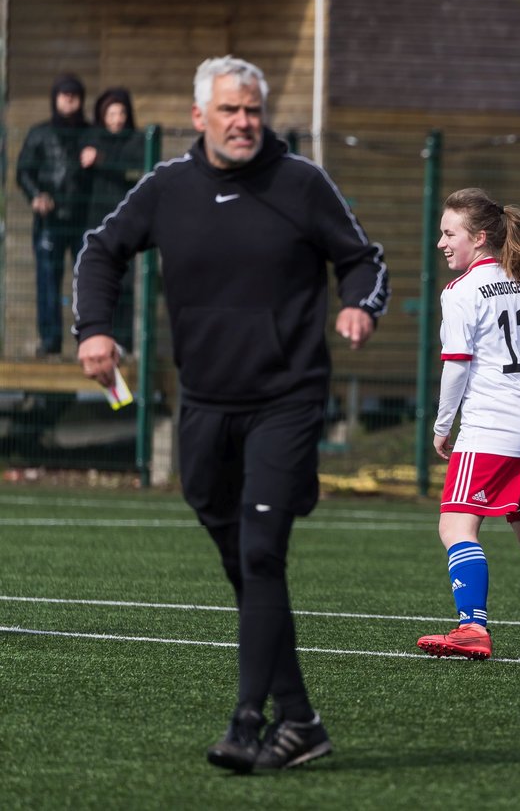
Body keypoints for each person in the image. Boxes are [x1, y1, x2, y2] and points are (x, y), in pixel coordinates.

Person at [73, 56, 389, 773]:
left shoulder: (301, 183)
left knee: (260, 552)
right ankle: (301, 720)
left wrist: (356, 306)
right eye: (229, 111)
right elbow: (100, 250)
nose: (244, 122)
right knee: (243, 565)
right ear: (199, 118)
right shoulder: (167, 189)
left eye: (252, 110)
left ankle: (248, 723)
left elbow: (365, 261)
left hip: (287, 398)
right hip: (205, 405)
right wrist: (94, 327)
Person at [414, 188, 520, 662]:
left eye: (450, 234)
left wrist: (442, 425)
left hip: (490, 427)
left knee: (455, 526)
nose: (442, 243)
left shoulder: (461, 290)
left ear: (480, 237)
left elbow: (456, 365)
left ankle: (472, 627)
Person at [17, 73, 91, 357]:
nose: (69, 98)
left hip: (85, 219)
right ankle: (50, 343)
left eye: (74, 93)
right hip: (50, 221)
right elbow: (23, 170)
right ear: (55, 98)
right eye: (64, 93)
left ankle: (89, 341)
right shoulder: (39, 133)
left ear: (81, 100)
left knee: (89, 280)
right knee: (47, 280)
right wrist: (36, 195)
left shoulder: (90, 133)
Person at [80, 87, 146, 352]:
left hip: (127, 221)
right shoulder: (91, 139)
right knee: (99, 282)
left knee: (126, 284)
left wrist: (102, 160)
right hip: (96, 221)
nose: (117, 119)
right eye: (111, 113)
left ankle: (125, 341)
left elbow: (135, 167)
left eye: (121, 113)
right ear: (102, 116)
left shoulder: (138, 141)